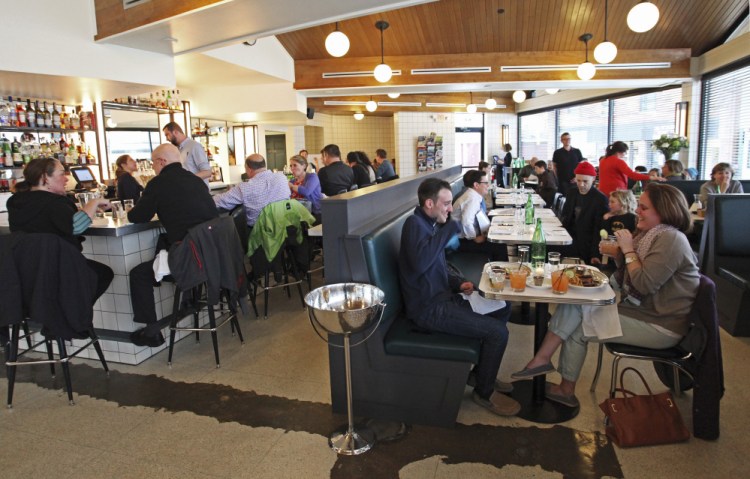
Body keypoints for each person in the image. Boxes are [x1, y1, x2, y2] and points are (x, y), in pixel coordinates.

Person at [512, 183, 699, 408]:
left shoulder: (671, 239)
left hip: (659, 324)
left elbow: (644, 283)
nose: (637, 211)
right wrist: (621, 253)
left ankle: (564, 389)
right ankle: (542, 359)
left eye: (644, 208)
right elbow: (629, 276)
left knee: (578, 331)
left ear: (665, 211)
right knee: (576, 303)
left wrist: (627, 249)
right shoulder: (651, 235)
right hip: (640, 312)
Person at [398, 178, 519, 416]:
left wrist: (458, 282)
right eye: (445, 203)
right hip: (429, 310)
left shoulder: (428, 223)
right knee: (498, 332)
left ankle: (481, 374)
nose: (450, 208)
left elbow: (438, 264)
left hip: (444, 298)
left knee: (502, 307)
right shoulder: (414, 224)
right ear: (429, 203)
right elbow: (421, 263)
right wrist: (449, 228)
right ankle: (483, 392)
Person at [127, 143, 219, 347]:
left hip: (190, 259)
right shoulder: (196, 181)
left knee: (139, 274)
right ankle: (188, 304)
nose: (152, 167)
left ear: (161, 161)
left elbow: (137, 216)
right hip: (211, 255)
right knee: (169, 250)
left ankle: (151, 331)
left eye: (153, 163)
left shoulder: (158, 184)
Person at [7, 157, 113, 300]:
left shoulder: (15, 201)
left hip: (26, 269)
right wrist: (94, 202)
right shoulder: (54, 203)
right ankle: (73, 315)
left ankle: (63, 314)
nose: (66, 179)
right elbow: (76, 227)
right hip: (60, 266)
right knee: (102, 274)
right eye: (62, 174)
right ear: (45, 178)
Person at [213, 153, 290, 228]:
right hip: (283, 228)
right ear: (264, 166)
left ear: (249, 169)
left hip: (257, 233)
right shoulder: (282, 178)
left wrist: (227, 193)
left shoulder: (245, 187)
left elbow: (219, 202)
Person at [560, 161, 609, 264]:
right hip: (568, 236)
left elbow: (599, 229)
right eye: (578, 180)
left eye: (585, 181)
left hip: (585, 243)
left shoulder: (600, 199)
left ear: (593, 179)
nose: (581, 185)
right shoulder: (571, 192)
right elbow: (565, 216)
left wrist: (595, 254)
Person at [452, 170, 506, 260]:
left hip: (465, 237)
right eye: (485, 183)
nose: (488, 185)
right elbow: (466, 222)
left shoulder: (472, 195)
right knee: (500, 246)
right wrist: (474, 238)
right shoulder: (472, 198)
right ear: (476, 185)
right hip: (463, 241)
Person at [162, 121, 212, 186]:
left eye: (167, 135)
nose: (166, 139)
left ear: (175, 132)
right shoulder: (176, 149)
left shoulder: (194, 146)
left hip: (198, 193)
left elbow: (207, 172)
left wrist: (186, 179)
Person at [288, 154, 322, 223]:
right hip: (296, 214)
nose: (292, 168)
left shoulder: (312, 177)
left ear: (304, 166)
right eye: (291, 166)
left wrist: (291, 186)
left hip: (313, 214)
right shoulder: (292, 181)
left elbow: (306, 191)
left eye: (295, 165)